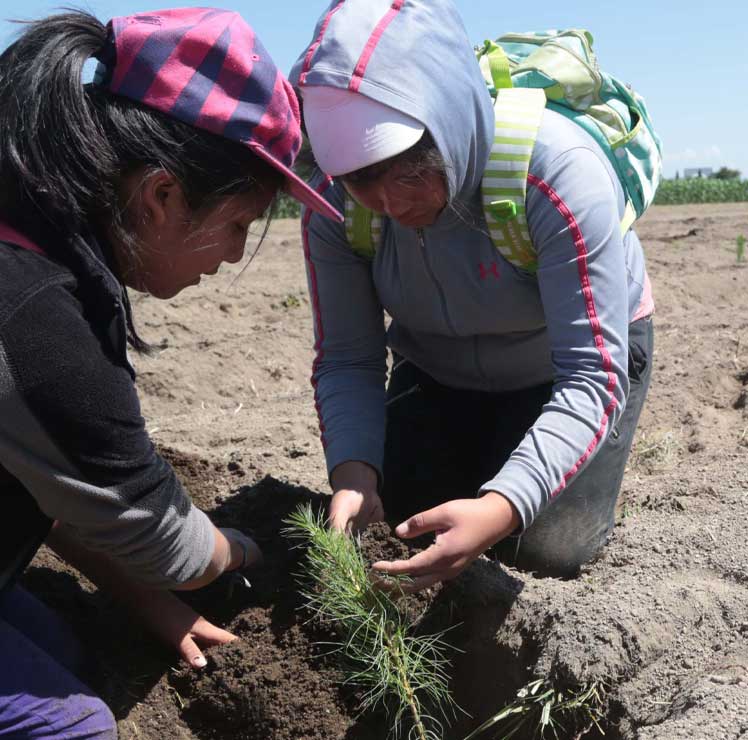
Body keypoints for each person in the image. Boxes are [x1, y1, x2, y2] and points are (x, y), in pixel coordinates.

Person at [0, 9, 339, 738]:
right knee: (76, 726)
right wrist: (243, 549)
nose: (227, 258)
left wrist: (147, 600)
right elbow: (170, 543)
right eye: (239, 226)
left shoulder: (31, 220)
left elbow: (50, 478)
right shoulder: (32, 315)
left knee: (63, 646)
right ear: (161, 195)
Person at [292, 0, 654, 589]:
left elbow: (591, 375)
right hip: (438, 366)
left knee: (542, 549)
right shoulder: (334, 206)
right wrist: (354, 472)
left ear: (452, 123)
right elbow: (348, 358)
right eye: (360, 180)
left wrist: (500, 507)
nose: (390, 205)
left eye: (410, 171)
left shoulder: (557, 173)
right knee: (404, 521)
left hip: (564, 365)